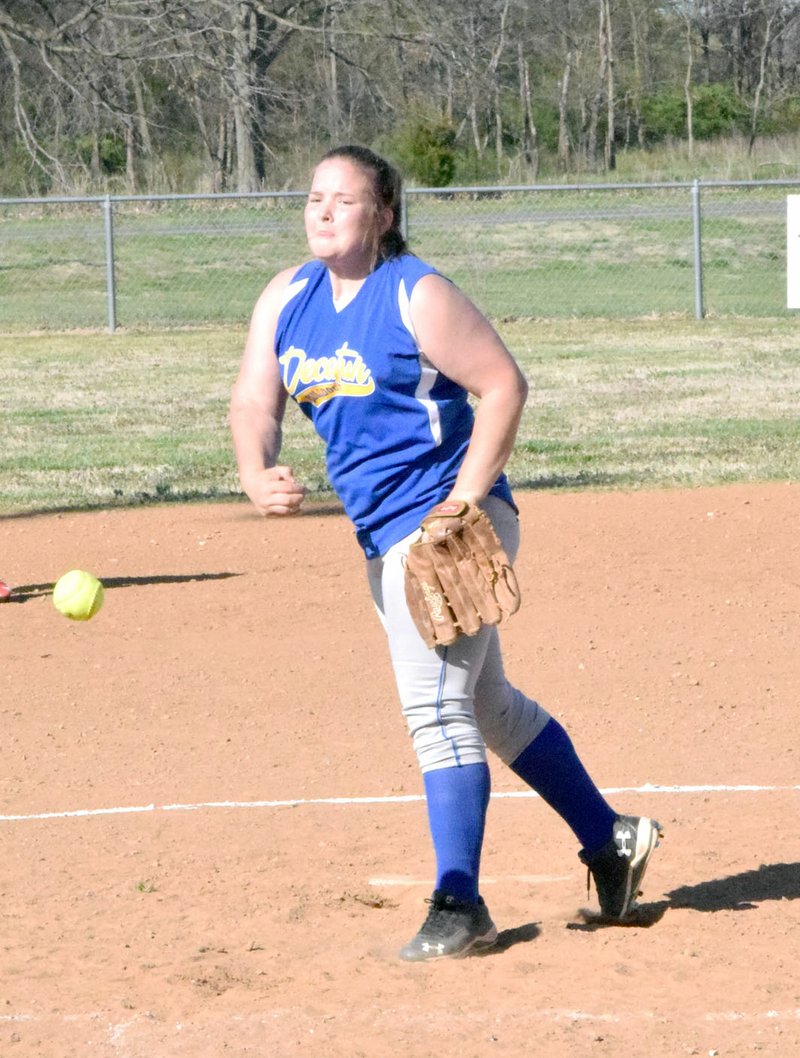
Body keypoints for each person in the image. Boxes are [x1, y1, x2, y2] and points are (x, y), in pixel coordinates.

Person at [229, 144, 662, 961]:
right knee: (489, 705)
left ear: (384, 214)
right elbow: (255, 397)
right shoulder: (287, 298)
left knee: (437, 711)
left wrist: (462, 507)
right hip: (385, 537)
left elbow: (503, 385)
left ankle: (460, 903)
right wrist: (255, 469)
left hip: (453, 524)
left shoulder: (415, 293)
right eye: (315, 197)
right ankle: (613, 840)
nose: (323, 211)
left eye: (345, 199)